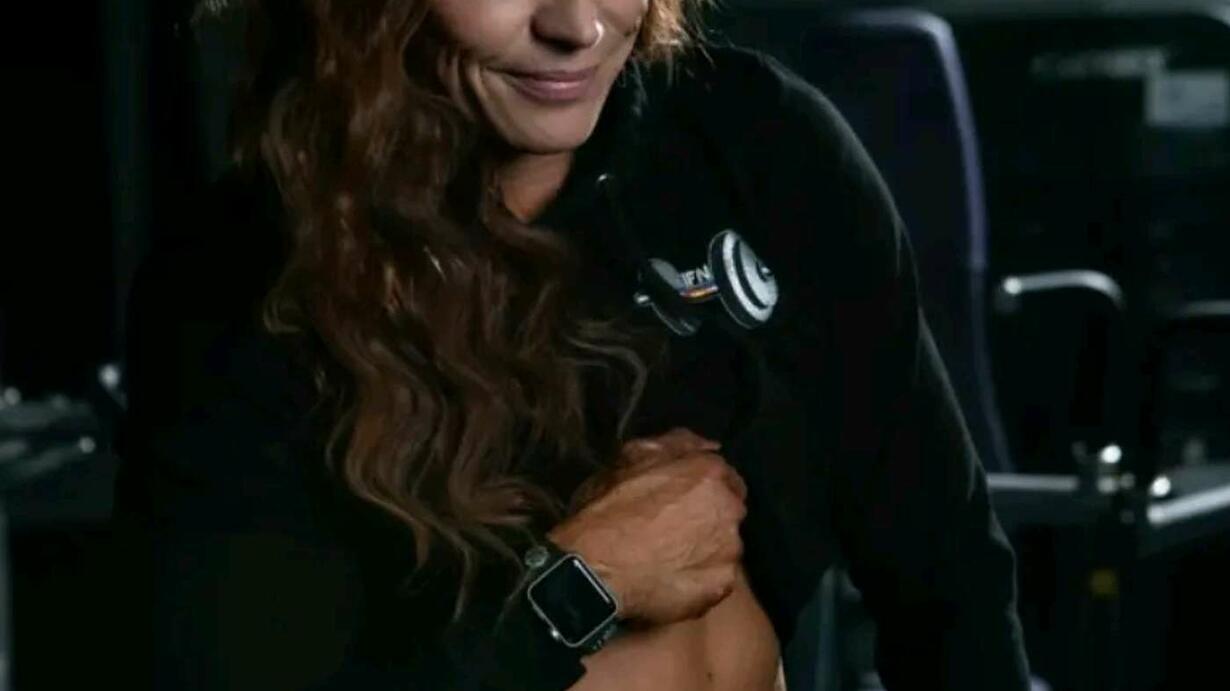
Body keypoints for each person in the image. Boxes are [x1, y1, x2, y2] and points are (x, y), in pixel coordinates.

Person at [111, 0, 1032, 689]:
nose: (577, 26)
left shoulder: (759, 143)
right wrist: (579, 587)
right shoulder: (239, 289)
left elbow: (951, 580)